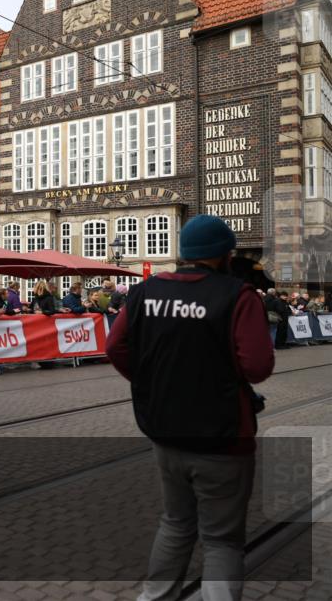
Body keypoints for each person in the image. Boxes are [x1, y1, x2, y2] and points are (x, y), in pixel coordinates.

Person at [106, 214, 274, 601]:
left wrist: (148, 381)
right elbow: (258, 366)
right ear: (223, 254)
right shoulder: (237, 295)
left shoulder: (144, 292)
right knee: (221, 540)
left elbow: (115, 347)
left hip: (165, 430)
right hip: (223, 434)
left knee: (177, 523)